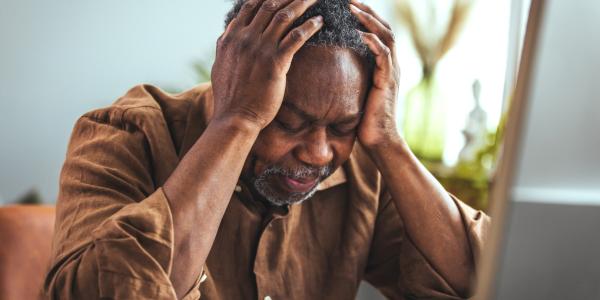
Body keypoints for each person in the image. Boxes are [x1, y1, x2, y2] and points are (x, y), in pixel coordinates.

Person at [43, 0, 490, 299]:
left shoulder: (364, 168)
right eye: (288, 122)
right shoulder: (123, 136)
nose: (318, 153)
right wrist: (237, 123)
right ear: (230, 84)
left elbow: (485, 280)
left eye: (342, 126)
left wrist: (389, 142)